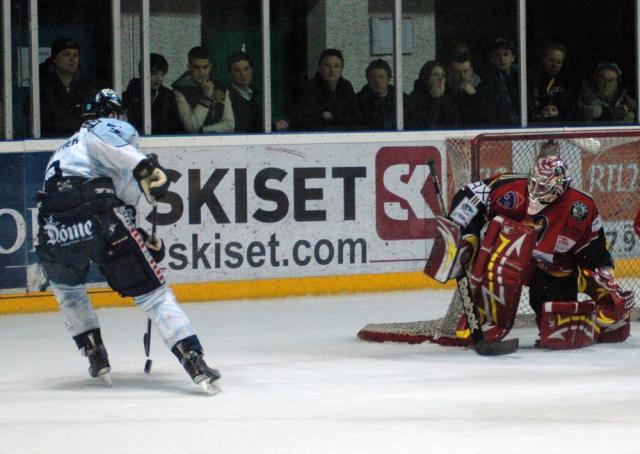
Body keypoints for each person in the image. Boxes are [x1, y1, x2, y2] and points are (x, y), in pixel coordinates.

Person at [34, 89, 220, 393]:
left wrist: (141, 237)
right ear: (113, 112)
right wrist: (144, 168)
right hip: (97, 216)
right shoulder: (104, 126)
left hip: (52, 229)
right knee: (155, 296)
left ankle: (95, 354)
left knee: (69, 292)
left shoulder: (62, 150)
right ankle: (193, 359)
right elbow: (121, 192)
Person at [426, 140, 633, 349]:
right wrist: (463, 232)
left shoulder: (580, 208)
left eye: (543, 187)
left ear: (561, 186)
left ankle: (599, 322)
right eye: (534, 183)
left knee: (555, 327)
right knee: (496, 259)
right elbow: (470, 195)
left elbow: (593, 248)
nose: (535, 190)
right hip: (506, 259)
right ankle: (487, 321)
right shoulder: (510, 189)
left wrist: (602, 272)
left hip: (552, 270)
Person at [289, 48, 362, 131]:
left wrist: (332, 116)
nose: (332, 70)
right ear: (320, 68)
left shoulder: (346, 86)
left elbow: (355, 117)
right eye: (327, 66)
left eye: (336, 66)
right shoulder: (310, 87)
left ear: (341, 69)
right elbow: (305, 118)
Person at [37, 37, 94, 137]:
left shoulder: (87, 87)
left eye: (75, 55)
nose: (72, 59)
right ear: (55, 58)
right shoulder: (41, 86)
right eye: (66, 54)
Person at [172, 46, 235, 133]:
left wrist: (204, 130)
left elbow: (230, 125)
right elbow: (192, 128)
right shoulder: (179, 90)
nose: (201, 72)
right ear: (189, 67)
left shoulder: (220, 88)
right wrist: (206, 97)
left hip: (217, 142)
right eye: (196, 67)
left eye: (205, 67)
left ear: (210, 67)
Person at [122, 53, 183, 135]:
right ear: (142, 73)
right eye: (154, 74)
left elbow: (176, 126)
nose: (159, 78)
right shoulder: (130, 95)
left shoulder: (168, 96)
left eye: (162, 74)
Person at [477, 38, 520, 126]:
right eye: (498, 55)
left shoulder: (522, 78)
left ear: (513, 57)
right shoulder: (487, 82)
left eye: (506, 54)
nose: (502, 58)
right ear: (492, 59)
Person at [356, 59, 408, 130]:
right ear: (367, 79)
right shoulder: (358, 101)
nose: (377, 81)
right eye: (373, 77)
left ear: (388, 78)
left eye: (381, 77)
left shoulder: (401, 99)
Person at [407, 60, 460, 129]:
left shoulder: (449, 95)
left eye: (443, 75)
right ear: (426, 77)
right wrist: (436, 99)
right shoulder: (415, 98)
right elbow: (426, 125)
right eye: (436, 75)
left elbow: (455, 123)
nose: (440, 79)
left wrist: (441, 98)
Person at [529, 43, 570, 123]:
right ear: (543, 59)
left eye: (558, 62)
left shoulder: (565, 81)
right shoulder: (531, 79)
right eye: (551, 60)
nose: (554, 65)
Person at [226, 51, 262, 133]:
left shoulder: (257, 94)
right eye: (237, 70)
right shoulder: (227, 96)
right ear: (230, 73)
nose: (243, 74)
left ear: (251, 70)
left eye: (246, 69)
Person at [447, 52, 482, 126]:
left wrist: (473, 95)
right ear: (451, 72)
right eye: (457, 72)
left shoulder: (483, 87)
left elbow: (485, 118)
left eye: (465, 71)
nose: (462, 76)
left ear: (471, 70)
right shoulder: (444, 89)